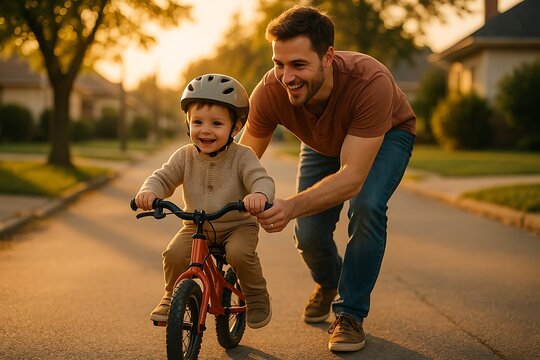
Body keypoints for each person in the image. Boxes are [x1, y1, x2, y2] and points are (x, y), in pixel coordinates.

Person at [239, 5, 416, 352]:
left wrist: (289, 205)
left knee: (366, 205)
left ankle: (349, 314)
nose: (286, 76)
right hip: (320, 143)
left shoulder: (370, 81)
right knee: (308, 234)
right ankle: (328, 281)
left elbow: (351, 178)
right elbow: (242, 161)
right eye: (279, 64)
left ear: (328, 56)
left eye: (298, 65)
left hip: (386, 136)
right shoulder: (270, 91)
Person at [135, 73, 275, 329]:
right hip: (195, 226)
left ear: (236, 127)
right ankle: (170, 295)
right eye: (197, 121)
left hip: (237, 225)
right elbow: (163, 177)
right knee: (174, 253)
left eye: (216, 124)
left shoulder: (243, 156)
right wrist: (149, 192)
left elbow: (261, 180)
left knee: (239, 254)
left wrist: (259, 196)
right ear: (187, 123)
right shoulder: (184, 156)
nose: (206, 130)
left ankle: (256, 296)